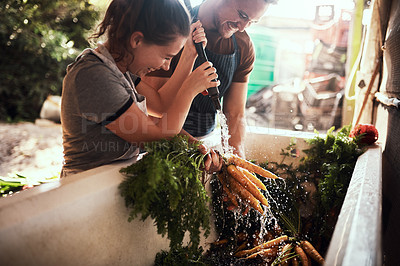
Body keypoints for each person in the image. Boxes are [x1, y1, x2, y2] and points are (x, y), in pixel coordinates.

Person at [60, 0, 222, 177]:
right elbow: (157, 137)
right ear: (137, 40)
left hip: (109, 185)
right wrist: (190, 90)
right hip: (83, 190)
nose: (166, 66)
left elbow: (161, 106)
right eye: (165, 57)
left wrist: (190, 54)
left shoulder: (121, 70)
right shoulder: (94, 76)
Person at [143, 0, 274, 158]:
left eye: (251, 22)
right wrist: (197, 148)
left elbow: (235, 115)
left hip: (204, 145)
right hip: (160, 145)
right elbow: (152, 112)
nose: (242, 27)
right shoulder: (170, 28)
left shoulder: (243, 46)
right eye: (242, 15)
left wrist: (237, 161)